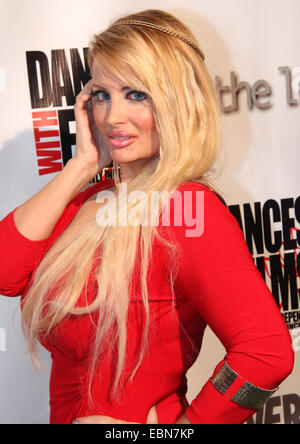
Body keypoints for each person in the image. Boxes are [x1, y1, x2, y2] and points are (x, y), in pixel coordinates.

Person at [0, 9, 294, 425]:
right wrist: (82, 164)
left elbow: (266, 353)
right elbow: (5, 271)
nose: (112, 116)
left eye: (136, 94)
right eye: (102, 94)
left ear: (178, 101)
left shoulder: (188, 210)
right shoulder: (90, 199)